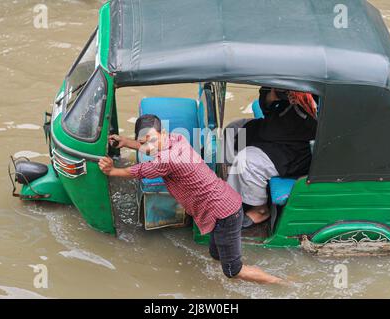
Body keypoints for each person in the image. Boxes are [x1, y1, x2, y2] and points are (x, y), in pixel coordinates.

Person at [98, 114, 284, 285]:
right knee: (215, 254)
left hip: (224, 214)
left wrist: (112, 171)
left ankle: (278, 282)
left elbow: (138, 171)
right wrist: (127, 142)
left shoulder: (167, 160)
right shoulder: (176, 139)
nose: (149, 147)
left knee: (233, 271)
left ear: (162, 134)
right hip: (223, 205)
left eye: (152, 140)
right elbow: (150, 147)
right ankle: (244, 265)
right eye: (143, 142)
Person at [227, 87, 318, 228]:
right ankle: (237, 188)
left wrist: (305, 100)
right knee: (232, 130)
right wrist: (274, 95)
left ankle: (260, 209)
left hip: (297, 148)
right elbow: (266, 103)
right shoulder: (285, 75)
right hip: (274, 127)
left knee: (246, 161)